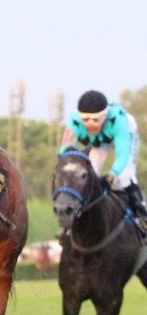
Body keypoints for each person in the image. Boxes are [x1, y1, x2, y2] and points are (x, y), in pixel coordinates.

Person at [60, 90, 147, 229]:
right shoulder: (74, 122)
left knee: (123, 177)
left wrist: (110, 177)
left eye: (95, 120)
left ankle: (142, 215)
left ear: (104, 116)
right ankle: (77, 218)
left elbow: (123, 156)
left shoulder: (119, 121)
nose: (90, 124)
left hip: (122, 134)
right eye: (85, 120)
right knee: (88, 178)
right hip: (100, 142)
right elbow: (64, 153)